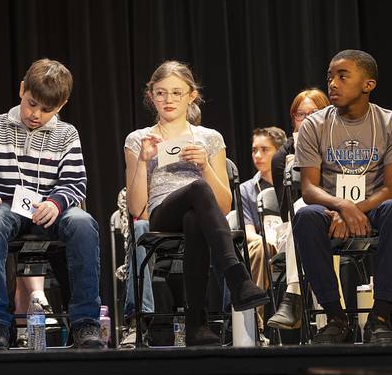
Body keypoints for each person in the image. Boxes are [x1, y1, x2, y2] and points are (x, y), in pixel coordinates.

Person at [0, 58, 104, 350]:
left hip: (50, 209)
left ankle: (85, 323)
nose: (36, 114)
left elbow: (76, 183)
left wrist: (56, 202)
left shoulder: (67, 134)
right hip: (7, 208)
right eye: (31, 103)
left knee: (84, 223)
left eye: (46, 109)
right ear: (22, 90)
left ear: (61, 105)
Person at [124, 60, 268, 346]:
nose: (168, 100)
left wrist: (205, 166)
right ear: (151, 95)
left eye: (177, 93)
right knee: (198, 191)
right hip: (161, 214)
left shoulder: (210, 138)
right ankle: (236, 277)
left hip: (202, 217)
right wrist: (143, 161)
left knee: (195, 216)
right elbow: (137, 209)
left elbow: (224, 206)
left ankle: (196, 325)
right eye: (161, 92)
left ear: (191, 95)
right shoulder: (139, 138)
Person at [292, 50, 392, 344]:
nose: (332, 83)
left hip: (374, 207)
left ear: (367, 85)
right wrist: (342, 207)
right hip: (330, 209)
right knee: (305, 216)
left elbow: (391, 188)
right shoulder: (314, 125)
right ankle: (336, 318)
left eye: (342, 76)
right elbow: (309, 189)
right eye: (330, 77)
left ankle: (380, 317)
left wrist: (354, 210)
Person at [267, 89, 330, 330]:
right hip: (295, 230)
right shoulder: (282, 156)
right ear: (293, 119)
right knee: (301, 210)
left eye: (313, 113)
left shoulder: (337, 145)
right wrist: (296, 175)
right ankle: (330, 323)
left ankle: (293, 297)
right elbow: (286, 211)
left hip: (336, 220)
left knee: (308, 220)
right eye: (300, 114)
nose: (306, 119)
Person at [239, 126, 286, 335]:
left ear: (279, 152)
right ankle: (255, 325)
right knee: (258, 245)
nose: (257, 155)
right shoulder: (247, 189)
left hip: (290, 241)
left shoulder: (291, 182)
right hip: (264, 246)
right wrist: (266, 240)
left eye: (264, 149)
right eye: (254, 150)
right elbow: (248, 231)